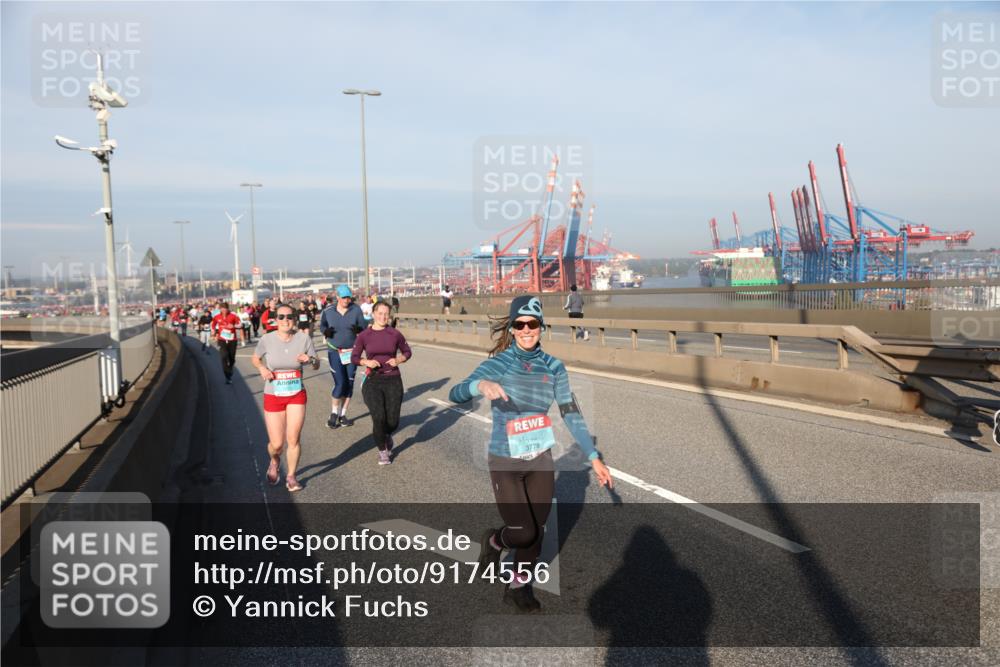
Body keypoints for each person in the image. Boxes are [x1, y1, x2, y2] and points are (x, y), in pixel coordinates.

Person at [448, 295, 613, 612]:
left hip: (540, 458)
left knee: (537, 531)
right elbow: (455, 393)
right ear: (512, 328)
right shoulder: (501, 363)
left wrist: (593, 457)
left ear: (541, 326)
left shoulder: (553, 367)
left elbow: (570, 411)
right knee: (523, 532)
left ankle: (518, 586)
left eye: (532, 323)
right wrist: (479, 386)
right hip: (505, 460)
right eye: (520, 324)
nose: (526, 329)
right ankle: (495, 541)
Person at [251, 303, 320, 492]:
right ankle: (274, 460)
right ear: (275, 319)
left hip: (296, 393)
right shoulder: (267, 339)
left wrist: (310, 360)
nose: (285, 320)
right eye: (281, 317)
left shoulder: (303, 338)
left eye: (289, 316)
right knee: (277, 444)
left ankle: (291, 476)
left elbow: (316, 364)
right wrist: (262, 368)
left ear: (295, 319)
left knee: (293, 439)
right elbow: (255, 358)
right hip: (273, 394)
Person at [352, 300, 412, 465]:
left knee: (392, 421)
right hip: (373, 380)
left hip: (393, 379)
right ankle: (383, 451)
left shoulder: (395, 334)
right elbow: (354, 357)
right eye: (380, 313)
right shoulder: (364, 335)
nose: (383, 317)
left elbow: (407, 352)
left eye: (386, 314)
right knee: (378, 416)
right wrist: (366, 362)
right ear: (373, 314)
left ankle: (386, 435)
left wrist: (399, 359)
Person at [320, 285, 368, 428]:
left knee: (350, 383)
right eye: (344, 298)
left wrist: (360, 329)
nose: (347, 300)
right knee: (340, 383)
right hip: (335, 351)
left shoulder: (356, 310)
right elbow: (322, 325)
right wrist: (325, 331)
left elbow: (364, 327)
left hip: (352, 352)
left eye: (349, 298)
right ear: (338, 297)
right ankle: (334, 413)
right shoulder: (328, 311)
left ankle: (343, 415)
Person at [211, 302, 242, 385]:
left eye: (225, 308)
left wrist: (234, 326)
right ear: (220, 309)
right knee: (223, 356)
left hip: (232, 339)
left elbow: (240, 324)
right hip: (222, 339)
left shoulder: (233, 316)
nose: (224, 310)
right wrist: (213, 331)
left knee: (232, 358)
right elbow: (213, 324)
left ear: (228, 309)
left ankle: (230, 368)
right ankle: (227, 376)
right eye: (222, 308)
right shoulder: (217, 316)